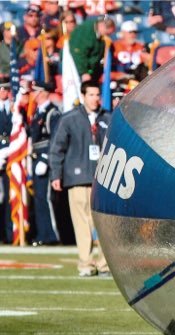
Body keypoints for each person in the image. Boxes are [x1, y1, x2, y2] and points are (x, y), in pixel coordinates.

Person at [49, 80, 111, 277]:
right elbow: (57, 148)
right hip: (77, 178)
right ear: (83, 96)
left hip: (101, 181)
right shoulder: (70, 119)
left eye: (97, 95)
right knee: (82, 223)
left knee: (101, 223)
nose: (95, 99)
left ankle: (103, 264)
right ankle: (86, 264)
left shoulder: (108, 118)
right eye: (91, 95)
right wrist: (56, 174)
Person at [29, 80, 61, 246]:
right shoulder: (38, 112)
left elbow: (55, 139)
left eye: (35, 91)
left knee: (46, 198)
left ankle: (52, 235)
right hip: (36, 157)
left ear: (42, 93)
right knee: (39, 198)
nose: (32, 95)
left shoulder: (52, 113)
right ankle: (43, 234)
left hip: (45, 159)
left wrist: (45, 159)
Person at [69, 15, 116, 83]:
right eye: (107, 33)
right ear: (102, 26)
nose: (107, 36)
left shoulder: (100, 36)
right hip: (77, 70)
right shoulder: (85, 31)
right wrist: (84, 72)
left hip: (92, 70)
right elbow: (78, 53)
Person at [0, 77, 13, 244]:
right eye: (2, 89)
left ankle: (9, 234)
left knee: (10, 196)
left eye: (6, 89)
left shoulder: (14, 109)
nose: (4, 92)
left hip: (11, 155)